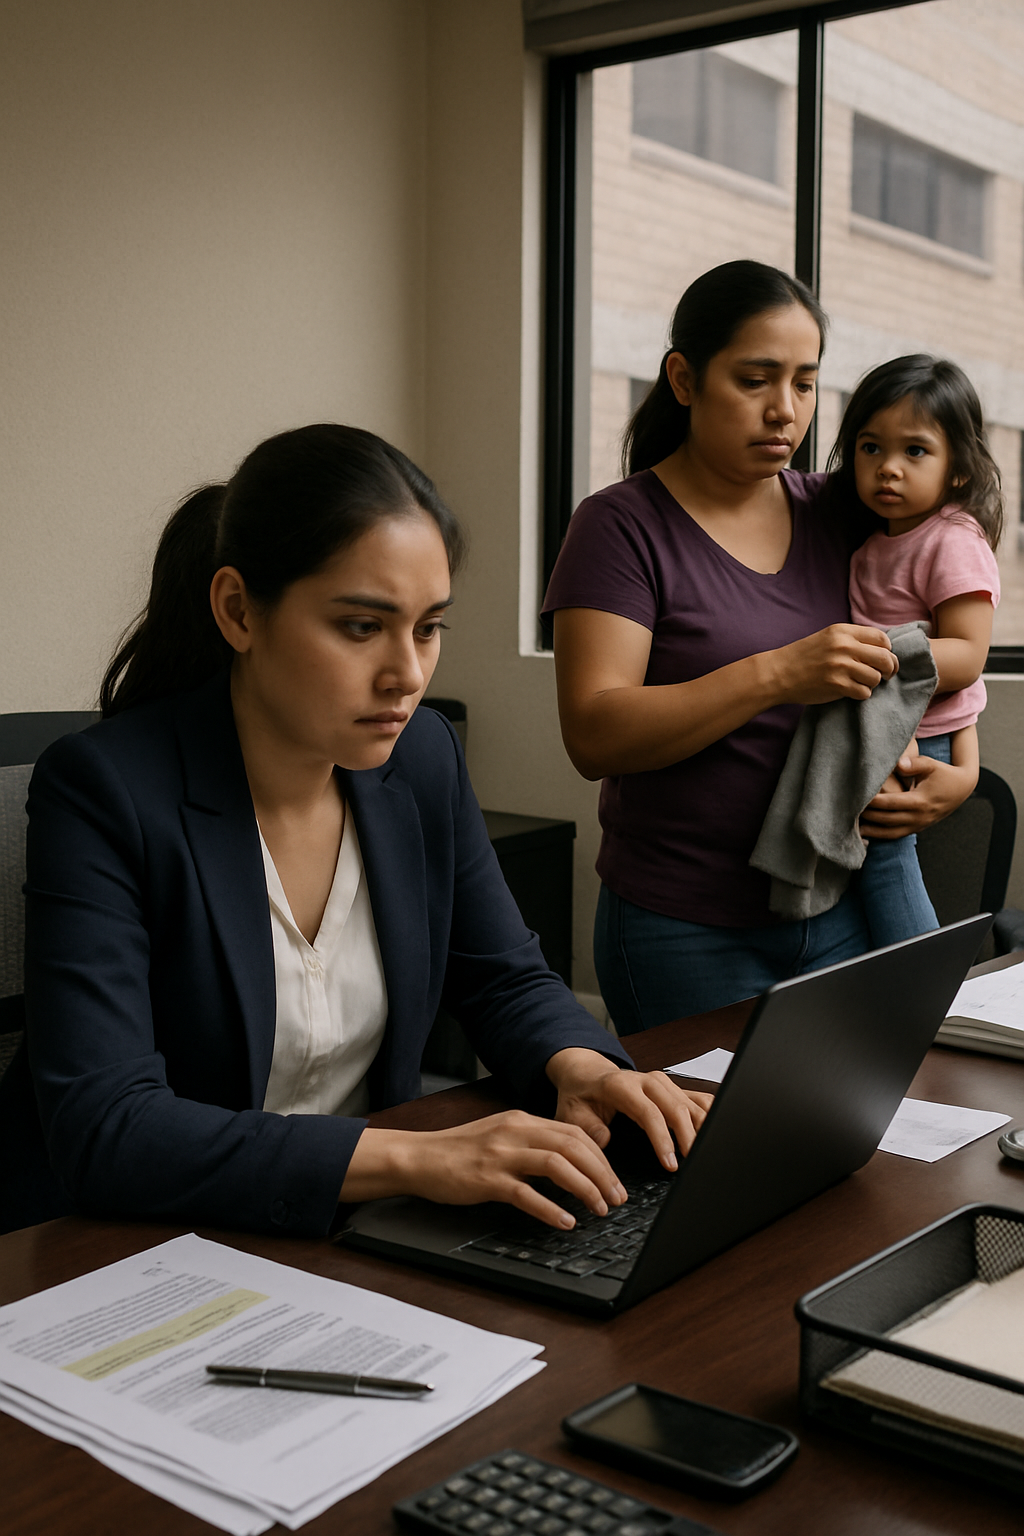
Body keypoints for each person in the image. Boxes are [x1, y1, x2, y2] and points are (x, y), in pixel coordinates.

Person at [3, 423, 710, 1239]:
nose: (407, 675)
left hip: (344, 1231)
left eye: (428, 627)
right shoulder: (104, 789)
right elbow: (109, 1127)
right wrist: (417, 1156)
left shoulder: (423, 758)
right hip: (121, 1243)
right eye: (362, 627)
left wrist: (581, 1066)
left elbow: (502, 977)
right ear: (238, 610)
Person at [543, 261, 976, 1030]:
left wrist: (964, 775)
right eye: (755, 380)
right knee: (700, 1118)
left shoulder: (841, 512)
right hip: (684, 931)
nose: (786, 410)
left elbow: (938, 640)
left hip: (839, 912)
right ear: (684, 379)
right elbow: (593, 734)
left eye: (805, 383)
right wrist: (777, 674)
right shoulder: (619, 527)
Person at [831, 355, 1002, 946]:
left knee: (885, 860)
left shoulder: (953, 538)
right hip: (881, 720)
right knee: (863, 862)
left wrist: (871, 655)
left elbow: (968, 656)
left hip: (917, 732)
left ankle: (928, 983)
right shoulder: (871, 544)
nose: (888, 467)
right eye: (871, 448)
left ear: (958, 469)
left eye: (915, 451)